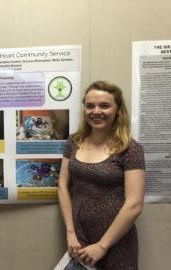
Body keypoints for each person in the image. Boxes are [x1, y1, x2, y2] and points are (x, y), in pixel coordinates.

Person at [58, 81, 145, 269]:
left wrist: (102, 245)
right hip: (79, 239)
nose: (96, 111)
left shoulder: (130, 149)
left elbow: (134, 204)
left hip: (116, 242)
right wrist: (70, 232)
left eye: (104, 105)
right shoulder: (74, 141)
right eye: (90, 106)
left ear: (117, 109)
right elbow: (63, 186)